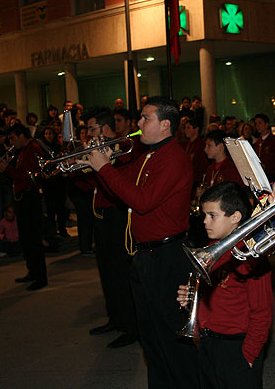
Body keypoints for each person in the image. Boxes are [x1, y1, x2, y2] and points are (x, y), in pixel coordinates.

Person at [77, 97, 199, 389]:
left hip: (166, 255)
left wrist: (104, 167)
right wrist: (96, 164)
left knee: (171, 338)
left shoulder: (173, 158)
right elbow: (120, 186)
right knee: (151, 339)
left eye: (146, 118)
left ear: (165, 124)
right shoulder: (149, 155)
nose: (139, 124)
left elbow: (142, 202)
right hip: (145, 255)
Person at [177, 182, 273, 389]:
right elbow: (209, 298)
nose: (205, 221)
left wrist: (248, 355)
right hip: (208, 342)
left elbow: (262, 312)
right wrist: (190, 300)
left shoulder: (251, 257)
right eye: (204, 215)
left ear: (235, 217)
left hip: (236, 346)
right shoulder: (210, 250)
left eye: (212, 215)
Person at [73, 108, 139, 349]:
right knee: (106, 271)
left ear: (104, 128)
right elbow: (92, 184)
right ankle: (116, 319)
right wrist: (73, 171)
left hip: (117, 214)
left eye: (91, 128)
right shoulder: (97, 149)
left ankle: (131, 327)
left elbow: (116, 179)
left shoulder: (120, 148)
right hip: (100, 214)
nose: (88, 133)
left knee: (121, 271)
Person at [0, 124, 48, 291]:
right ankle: (32, 271)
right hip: (23, 198)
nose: (11, 142)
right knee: (26, 238)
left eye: (12, 138)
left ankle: (40, 277)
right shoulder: (23, 151)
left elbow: (28, 177)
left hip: (30, 197)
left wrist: (7, 169)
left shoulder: (32, 150)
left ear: (21, 136)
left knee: (33, 239)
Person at [253, 114, 275, 182]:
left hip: (273, 176)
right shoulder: (258, 142)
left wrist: (266, 166)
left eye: (260, 123)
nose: (257, 126)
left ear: (266, 124)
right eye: (256, 124)